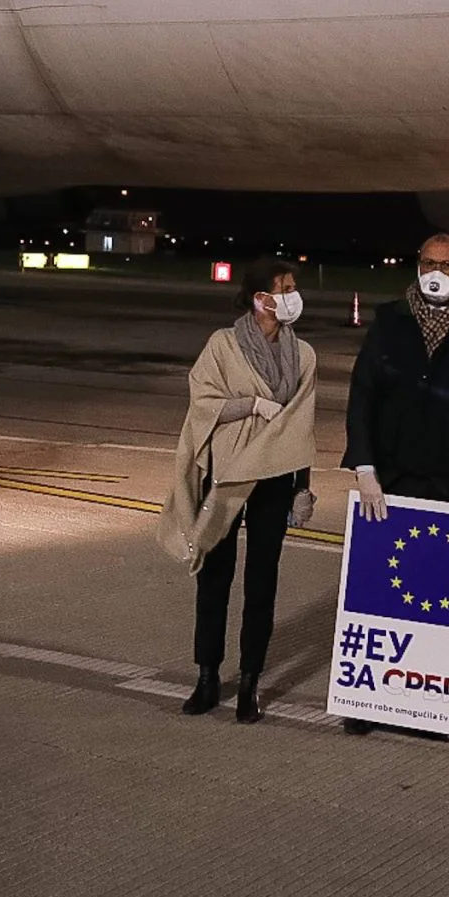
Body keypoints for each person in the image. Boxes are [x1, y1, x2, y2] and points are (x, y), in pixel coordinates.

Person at [339, 232, 449, 733]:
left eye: (447, 264)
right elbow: (362, 395)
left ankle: (429, 700)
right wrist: (364, 467)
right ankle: (367, 700)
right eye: (428, 262)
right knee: (381, 588)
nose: (436, 272)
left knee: (436, 586)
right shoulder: (389, 320)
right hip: (391, 477)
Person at [157, 257, 320, 724]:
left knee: (262, 581)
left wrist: (302, 487)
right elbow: (203, 401)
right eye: (283, 289)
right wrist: (251, 405)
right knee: (215, 575)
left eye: (292, 287)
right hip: (228, 472)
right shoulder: (223, 345)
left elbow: (302, 426)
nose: (291, 296)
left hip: (274, 475)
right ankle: (207, 676)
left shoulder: (303, 354)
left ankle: (250, 681)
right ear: (260, 298)